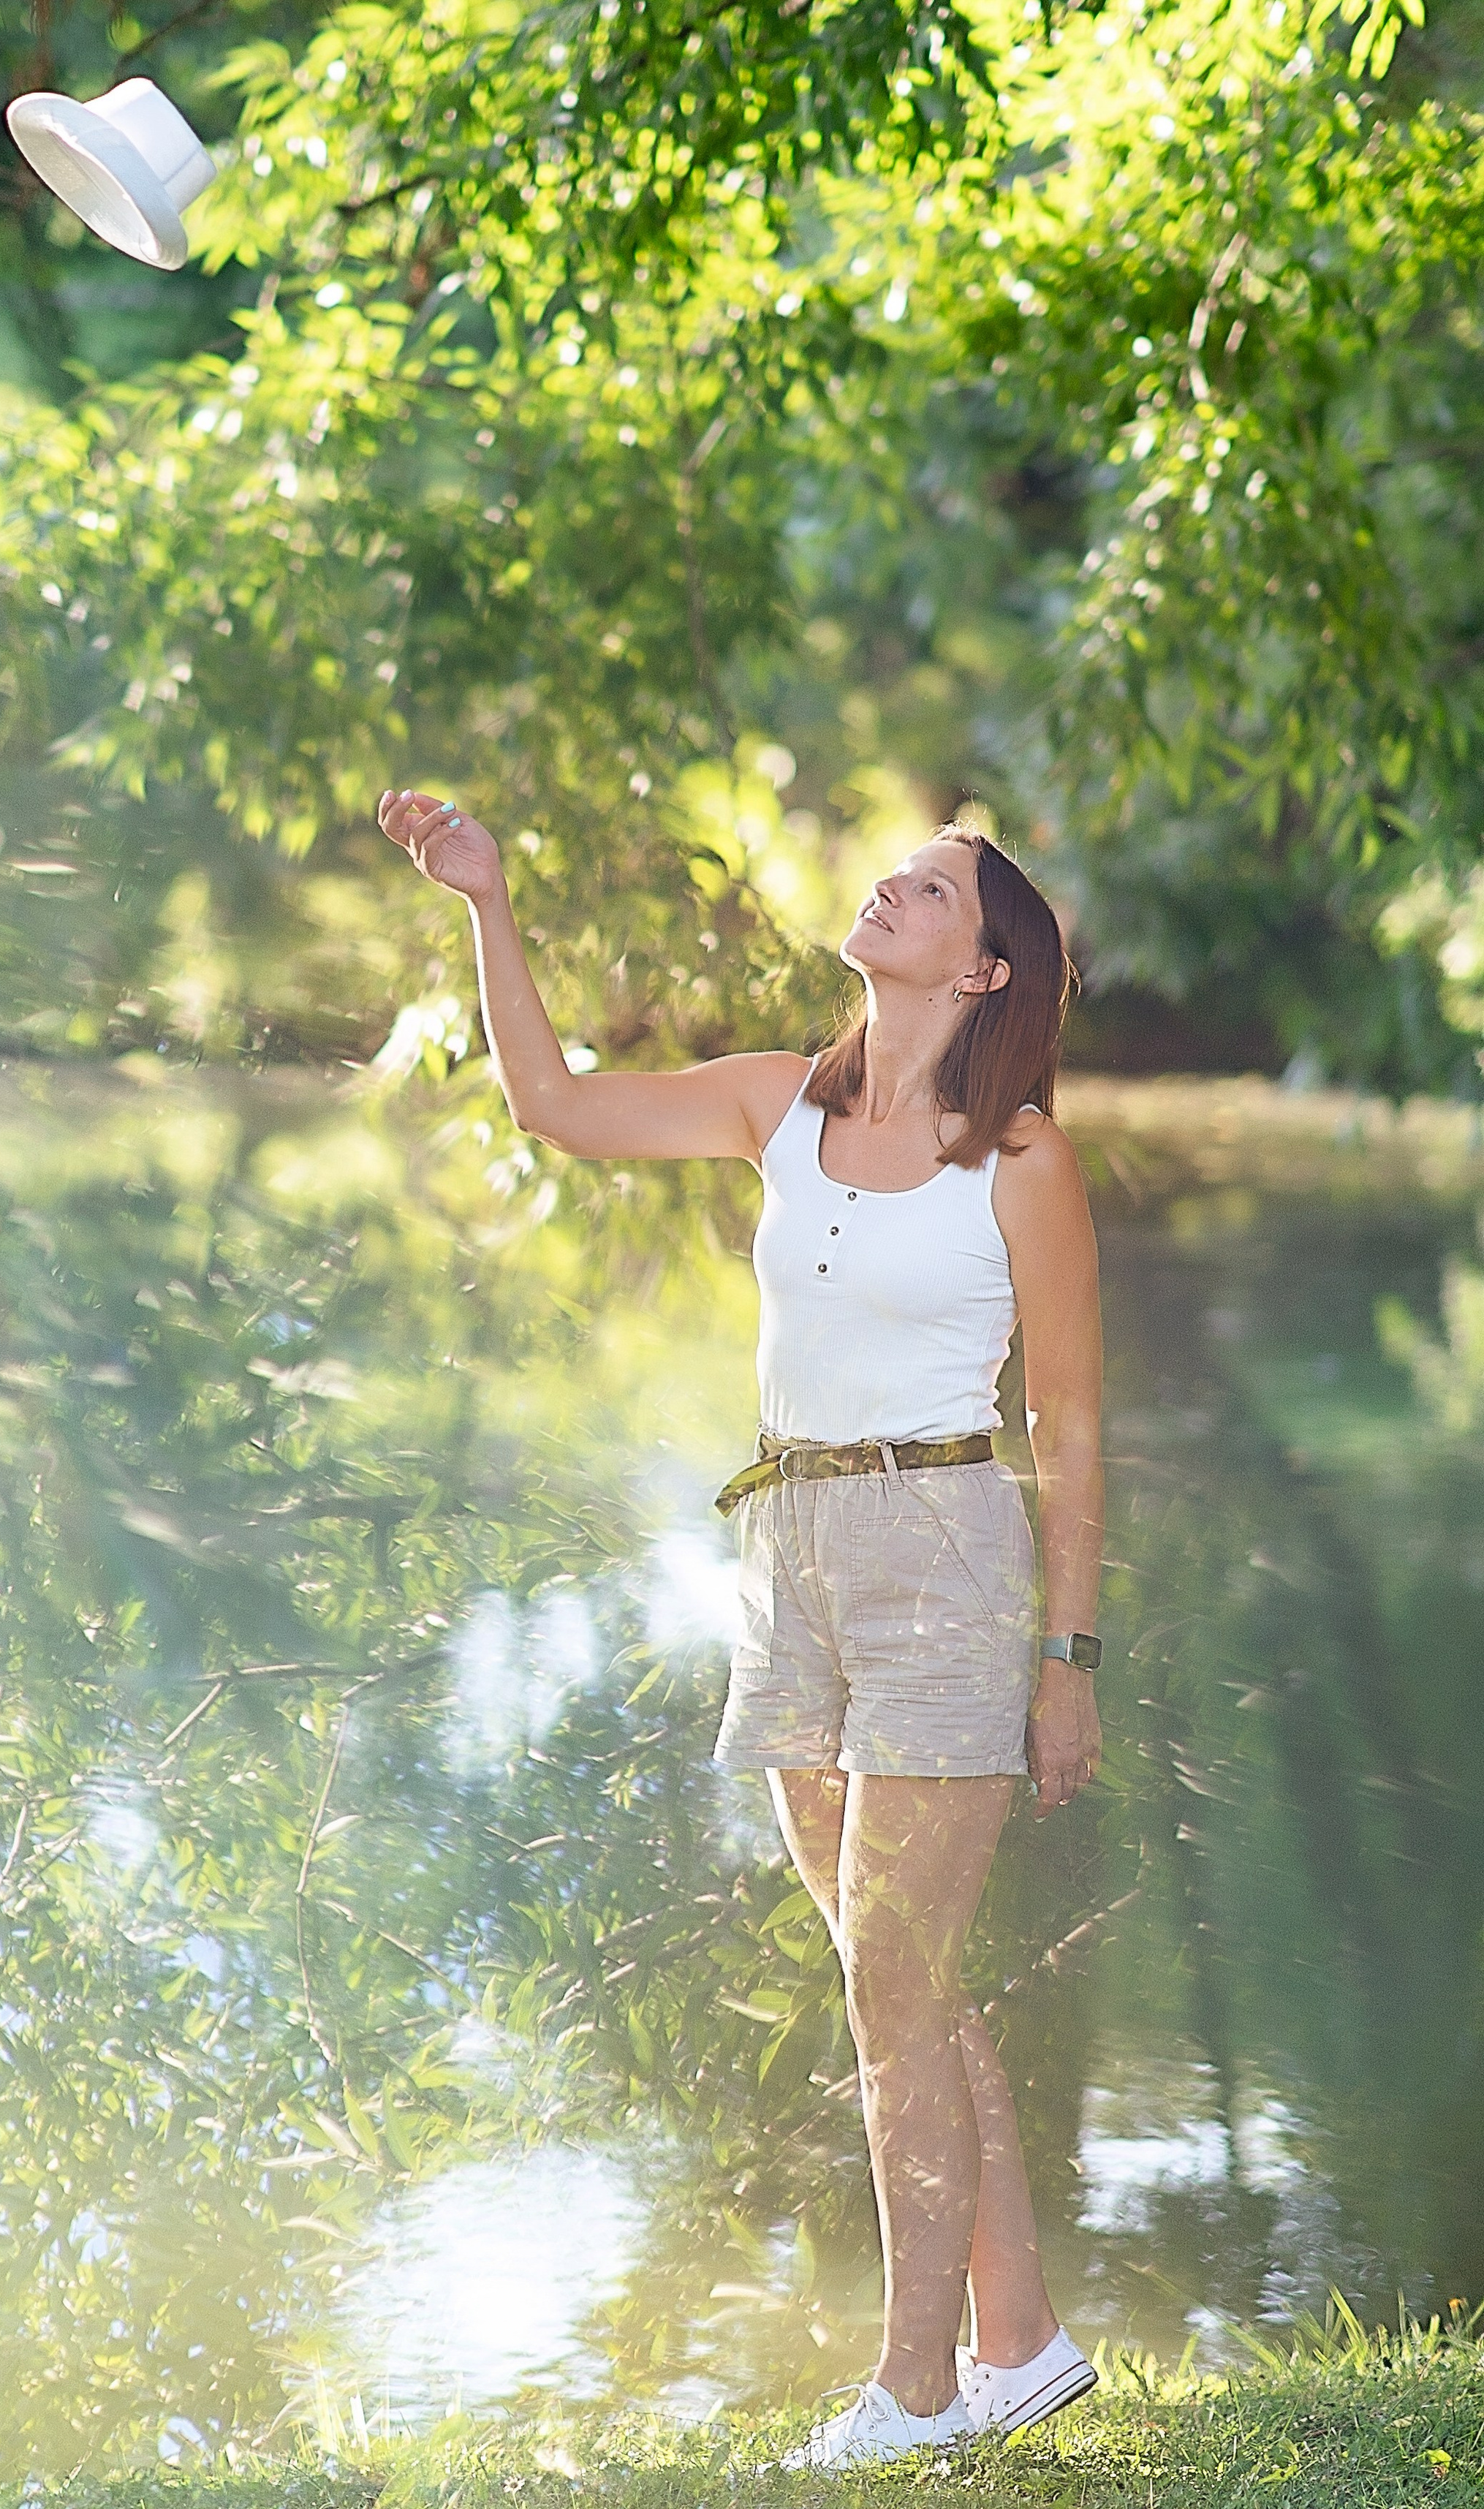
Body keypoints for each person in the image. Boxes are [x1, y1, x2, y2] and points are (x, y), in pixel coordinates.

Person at [378, 787, 1105, 2464]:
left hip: (943, 1547)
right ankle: (1021, 2339)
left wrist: (1067, 1665)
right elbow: (551, 1105)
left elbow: (1068, 1426)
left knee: (892, 1984)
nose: (887, 890)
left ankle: (915, 2397)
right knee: (888, 1973)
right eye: (894, 875)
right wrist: (486, 903)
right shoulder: (774, 1103)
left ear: (986, 971)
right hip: (784, 1544)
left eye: (925, 891)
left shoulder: (1018, 1158)